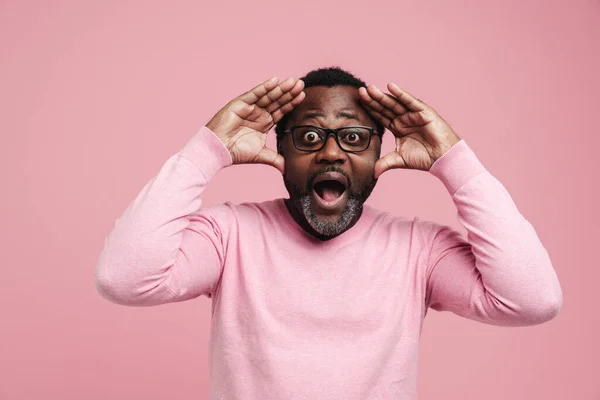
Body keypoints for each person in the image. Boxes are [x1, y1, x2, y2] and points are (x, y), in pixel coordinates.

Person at [94, 67, 563, 399]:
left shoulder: (419, 249)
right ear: (278, 148)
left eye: (355, 137)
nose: (332, 154)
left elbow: (532, 300)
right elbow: (124, 278)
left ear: (383, 150)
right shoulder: (229, 234)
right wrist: (206, 151)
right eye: (310, 137)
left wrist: (454, 161)